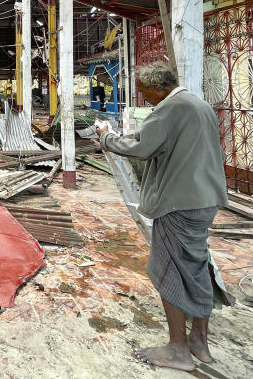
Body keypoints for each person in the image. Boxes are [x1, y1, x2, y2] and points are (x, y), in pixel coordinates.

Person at [95, 61, 228, 373]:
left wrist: (106, 138)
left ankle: (177, 350)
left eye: (146, 94)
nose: (145, 100)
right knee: (196, 268)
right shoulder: (198, 104)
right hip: (204, 200)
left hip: (178, 203)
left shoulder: (171, 108)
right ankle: (199, 340)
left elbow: (141, 146)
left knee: (168, 270)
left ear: (158, 87)